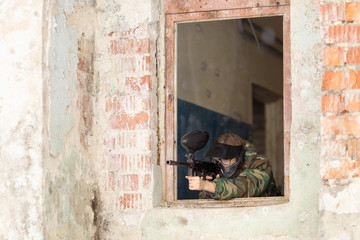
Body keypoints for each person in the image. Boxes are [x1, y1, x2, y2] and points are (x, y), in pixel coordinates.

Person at [185, 133, 279, 199]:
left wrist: (209, 186)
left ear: (238, 157)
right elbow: (205, 200)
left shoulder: (260, 164)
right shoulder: (219, 166)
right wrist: (208, 187)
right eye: (218, 159)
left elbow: (245, 187)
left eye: (225, 159)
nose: (221, 163)